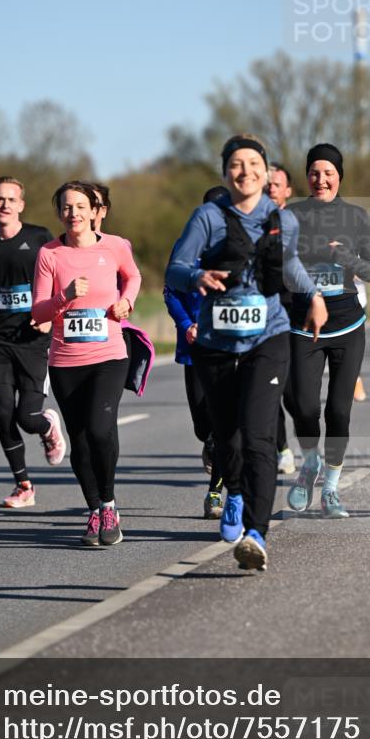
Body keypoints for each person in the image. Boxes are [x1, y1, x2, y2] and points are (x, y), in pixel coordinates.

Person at [166, 135, 326, 571]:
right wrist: (198, 275)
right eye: (236, 164)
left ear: (266, 171)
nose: (246, 171)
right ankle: (233, 491)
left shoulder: (281, 219)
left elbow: (289, 264)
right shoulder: (208, 217)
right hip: (216, 344)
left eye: (253, 163)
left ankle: (257, 533)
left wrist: (312, 295)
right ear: (225, 172)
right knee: (228, 436)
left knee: (259, 436)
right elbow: (175, 269)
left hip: (267, 337)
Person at [32, 181, 141, 547]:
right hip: (65, 361)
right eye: (66, 207)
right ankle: (93, 509)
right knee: (79, 440)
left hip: (109, 354)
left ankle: (110, 505)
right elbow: (38, 311)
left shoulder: (114, 246)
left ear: (95, 210)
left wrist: (127, 300)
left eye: (81, 206)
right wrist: (63, 297)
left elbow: (133, 276)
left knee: (99, 428)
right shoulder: (49, 254)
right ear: (59, 213)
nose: (74, 213)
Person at [287, 144, 370, 519]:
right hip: (303, 326)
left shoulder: (356, 217)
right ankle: (309, 463)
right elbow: (278, 265)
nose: (320, 179)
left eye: (328, 172)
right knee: (304, 407)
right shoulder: (292, 215)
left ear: (339, 175)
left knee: (339, 411)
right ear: (306, 175)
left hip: (347, 324)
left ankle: (330, 489)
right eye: (314, 172)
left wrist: (347, 259)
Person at [0, 176, 65, 508]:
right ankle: (23, 485)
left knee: (26, 417)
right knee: (3, 413)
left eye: (11, 199)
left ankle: (47, 425)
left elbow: (62, 280)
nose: (4, 205)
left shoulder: (40, 239)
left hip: (35, 340)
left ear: (21, 205)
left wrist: (51, 313)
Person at [163, 186, 227, 520]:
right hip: (194, 347)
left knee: (222, 424)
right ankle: (210, 442)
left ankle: (216, 492)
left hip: (232, 346)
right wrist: (187, 323)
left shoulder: (240, 247)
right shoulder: (186, 246)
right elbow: (170, 291)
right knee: (203, 425)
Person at [266, 163, 297, 475]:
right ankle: (282, 448)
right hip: (265, 312)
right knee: (269, 383)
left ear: (288, 190)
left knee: (295, 395)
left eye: (277, 184)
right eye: (268, 184)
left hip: (295, 309)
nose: (271, 188)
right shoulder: (252, 221)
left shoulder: (296, 221)